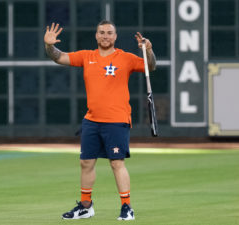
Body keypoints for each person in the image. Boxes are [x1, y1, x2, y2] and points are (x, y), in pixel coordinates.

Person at [44, 20, 156, 220]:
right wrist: (49, 45)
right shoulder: (87, 56)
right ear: (96, 36)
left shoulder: (126, 58)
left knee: (116, 163)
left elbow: (151, 66)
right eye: (102, 32)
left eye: (109, 33)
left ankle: (126, 207)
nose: (105, 36)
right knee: (86, 162)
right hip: (92, 120)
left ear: (115, 36)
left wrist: (147, 50)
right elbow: (59, 58)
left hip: (117, 119)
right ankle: (86, 206)